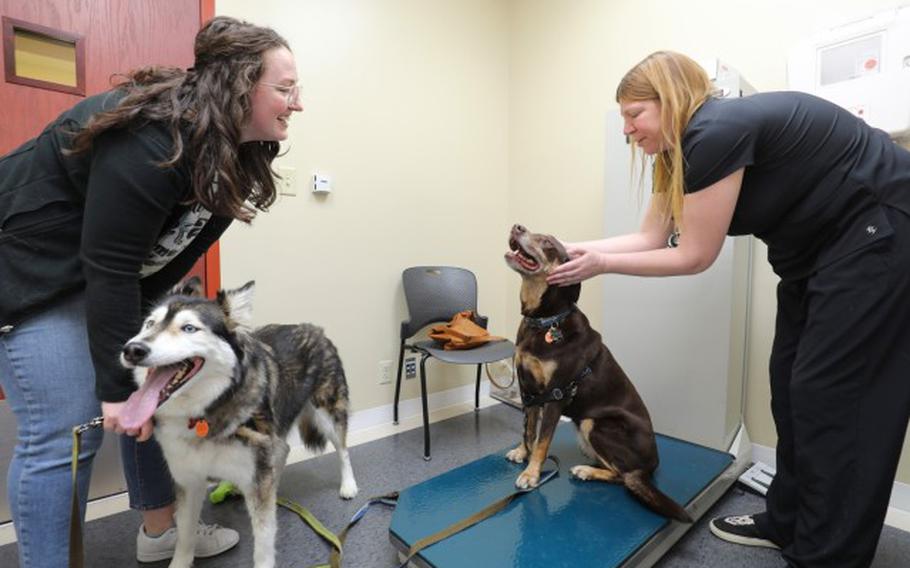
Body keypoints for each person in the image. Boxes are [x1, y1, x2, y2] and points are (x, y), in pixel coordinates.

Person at [547, 50, 910, 568]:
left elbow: (694, 255)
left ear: (669, 101)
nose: (627, 130)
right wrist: (565, 250)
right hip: (816, 257)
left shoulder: (714, 130)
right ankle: (786, 520)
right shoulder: (676, 154)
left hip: (880, 232)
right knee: (790, 387)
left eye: (634, 114)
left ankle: (830, 556)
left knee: (837, 399)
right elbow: (651, 235)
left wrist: (600, 265)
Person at [0, 16, 303, 567]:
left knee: (163, 389)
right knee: (68, 427)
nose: (297, 103)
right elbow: (111, 267)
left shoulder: (231, 159)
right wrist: (119, 388)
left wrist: (151, 369)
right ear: (238, 87)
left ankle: (161, 532)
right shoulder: (153, 136)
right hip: (26, 273)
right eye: (284, 89)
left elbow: (160, 270)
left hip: (99, 275)